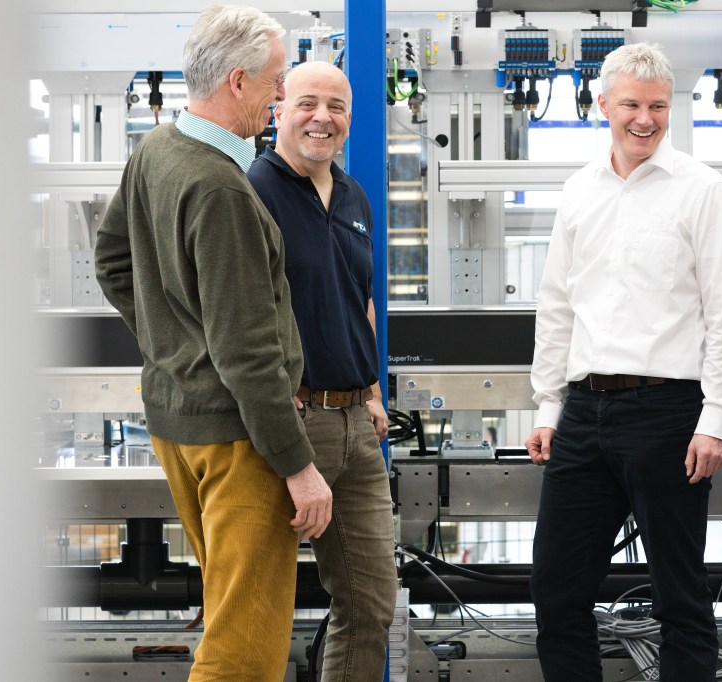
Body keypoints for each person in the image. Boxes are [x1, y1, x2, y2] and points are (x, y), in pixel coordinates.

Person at [94, 6, 333, 681]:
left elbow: (111, 259)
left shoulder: (157, 150)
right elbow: (247, 350)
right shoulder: (219, 185)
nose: (281, 96)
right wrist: (296, 465)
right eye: (277, 82)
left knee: (227, 606)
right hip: (237, 440)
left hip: (181, 425)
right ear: (237, 80)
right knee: (244, 646)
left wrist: (173, 346)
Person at [525, 42, 722, 682]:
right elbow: (557, 304)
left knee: (681, 594)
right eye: (630, 105)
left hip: (669, 414)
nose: (644, 119)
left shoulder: (703, 191)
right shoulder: (578, 190)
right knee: (557, 589)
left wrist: (716, 419)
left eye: (657, 106)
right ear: (603, 106)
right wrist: (548, 405)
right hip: (584, 412)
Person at [247, 60, 397, 682]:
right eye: (308, 102)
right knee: (254, 609)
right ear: (280, 107)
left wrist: (373, 390)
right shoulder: (251, 190)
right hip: (289, 421)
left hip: (356, 427)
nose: (323, 118)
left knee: (370, 604)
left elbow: (360, 295)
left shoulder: (354, 193)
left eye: (336, 108)